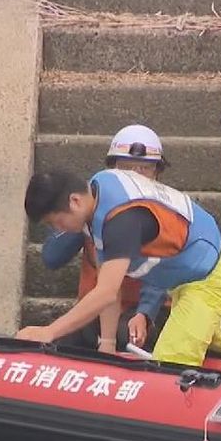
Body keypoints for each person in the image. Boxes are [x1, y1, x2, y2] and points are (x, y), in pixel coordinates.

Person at [18, 170, 221, 366]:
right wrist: (107, 344)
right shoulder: (99, 190)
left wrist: (49, 331)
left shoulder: (120, 221)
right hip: (184, 278)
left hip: (209, 276)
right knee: (205, 346)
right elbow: (108, 282)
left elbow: (106, 293)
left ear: (75, 201)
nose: (58, 229)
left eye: (55, 222)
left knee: (172, 362)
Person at [41, 125, 170, 350]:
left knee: (128, 336)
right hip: (96, 309)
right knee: (57, 341)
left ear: (157, 173)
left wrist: (144, 313)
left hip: (144, 314)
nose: (134, 175)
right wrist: (83, 219)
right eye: (126, 168)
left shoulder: (161, 212)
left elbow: (161, 273)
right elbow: (52, 257)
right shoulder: (94, 205)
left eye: (145, 169)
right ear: (111, 168)